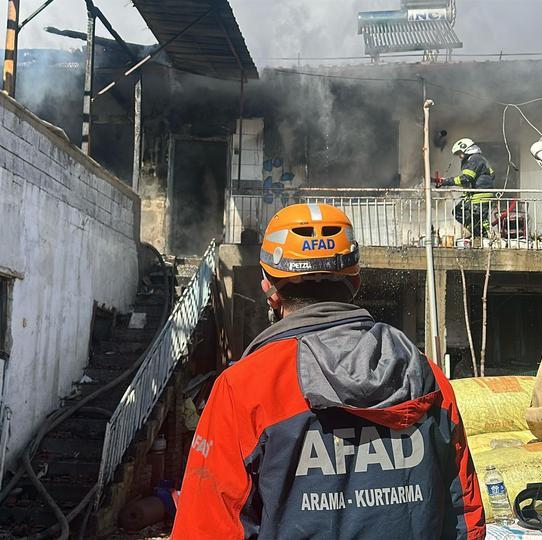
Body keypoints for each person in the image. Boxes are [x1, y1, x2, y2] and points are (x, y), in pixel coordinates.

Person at [172, 203, 485, 539]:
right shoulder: (425, 376)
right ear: (355, 280)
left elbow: (207, 527)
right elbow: (464, 517)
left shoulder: (243, 388)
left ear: (269, 289)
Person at [434, 138, 496, 238]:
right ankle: (481, 235)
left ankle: (486, 236)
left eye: (460, 153)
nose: (459, 156)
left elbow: (466, 179)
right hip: (477, 195)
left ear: (467, 149)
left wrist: (446, 181)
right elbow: (491, 175)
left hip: (479, 196)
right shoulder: (481, 159)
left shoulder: (474, 159)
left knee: (476, 217)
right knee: (461, 212)